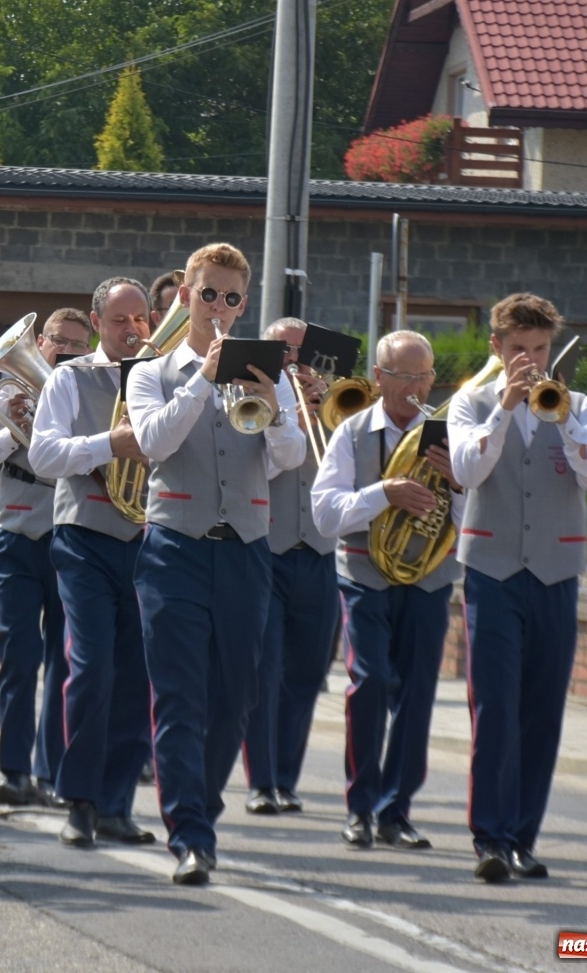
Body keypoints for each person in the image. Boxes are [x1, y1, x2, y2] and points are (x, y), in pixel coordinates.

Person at [128, 244, 305, 886]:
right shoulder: (152, 372)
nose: (220, 308)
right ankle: (190, 836)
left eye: (232, 298)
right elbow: (152, 444)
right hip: (175, 544)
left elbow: (287, 457)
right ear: (184, 296)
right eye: (209, 295)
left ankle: (202, 808)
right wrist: (203, 378)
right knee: (180, 695)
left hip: (246, 548)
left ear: (244, 302)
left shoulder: (269, 373)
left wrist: (275, 404)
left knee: (236, 696)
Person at [450, 293, 587, 883]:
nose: (531, 360)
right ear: (497, 347)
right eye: (519, 348)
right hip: (492, 571)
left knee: (542, 711)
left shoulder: (578, 405)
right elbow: (467, 472)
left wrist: (565, 419)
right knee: (495, 706)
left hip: (556, 571)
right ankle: (489, 838)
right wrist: (503, 409)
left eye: (540, 349)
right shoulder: (470, 403)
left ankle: (523, 838)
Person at [312, 330, 463, 855]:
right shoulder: (351, 432)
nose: (416, 387)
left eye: (424, 376)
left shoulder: (448, 435)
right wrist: (385, 493)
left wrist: (459, 485)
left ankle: (395, 812)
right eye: (405, 377)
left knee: (418, 693)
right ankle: (360, 810)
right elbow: (325, 511)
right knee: (370, 683)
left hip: (428, 578)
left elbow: (470, 522)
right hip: (364, 576)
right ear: (379, 378)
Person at [26, 277, 154, 852]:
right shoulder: (69, 378)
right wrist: (110, 444)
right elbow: (44, 453)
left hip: (149, 539)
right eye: (121, 321)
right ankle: (78, 800)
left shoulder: (162, 379)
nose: (133, 330)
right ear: (99, 323)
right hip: (84, 536)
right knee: (93, 666)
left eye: (141, 320)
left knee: (135, 675)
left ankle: (116, 804)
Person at [0, 307, 91, 808]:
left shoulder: (89, 395)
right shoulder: (11, 394)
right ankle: (14, 772)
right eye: (61, 343)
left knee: (65, 659)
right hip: (17, 533)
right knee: (18, 655)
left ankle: (52, 772)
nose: (70, 353)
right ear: (42, 340)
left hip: (71, 534)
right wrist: (14, 430)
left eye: (80, 346)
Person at [242, 319, 340, 815]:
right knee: (264, 673)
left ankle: (286, 778)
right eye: (284, 351)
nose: (294, 362)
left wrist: (328, 418)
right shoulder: (252, 398)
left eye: (302, 353)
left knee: (305, 674)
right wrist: (291, 418)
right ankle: (261, 781)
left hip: (321, 553)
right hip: (267, 548)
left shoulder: (335, 406)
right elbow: (262, 464)